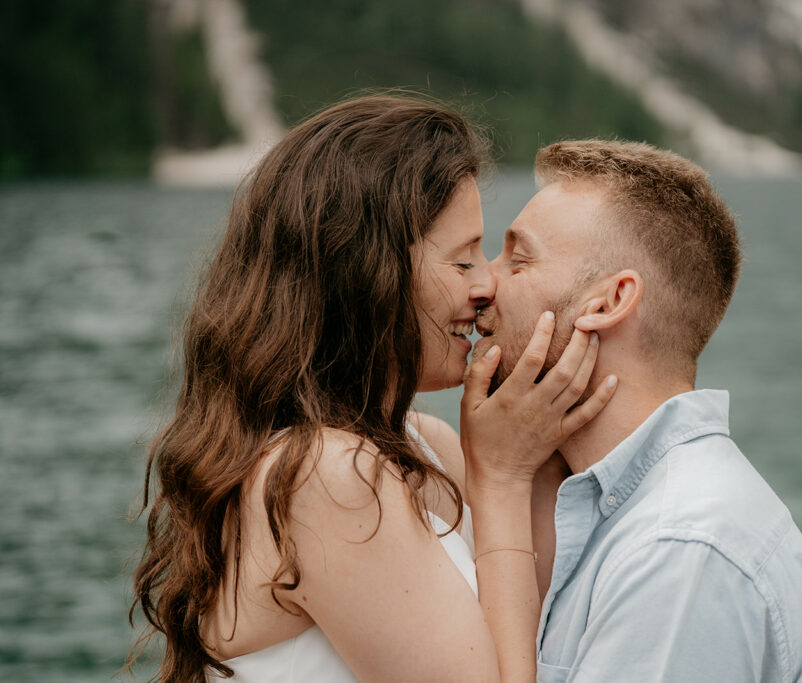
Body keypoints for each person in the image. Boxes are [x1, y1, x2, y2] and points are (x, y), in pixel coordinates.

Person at [129, 95, 616, 683]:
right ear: (367, 275)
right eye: (462, 263)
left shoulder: (425, 443)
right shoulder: (326, 476)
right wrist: (506, 478)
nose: (488, 282)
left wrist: (532, 444)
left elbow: (542, 629)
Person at [472, 139, 802, 682]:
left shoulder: (678, 551)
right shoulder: (620, 513)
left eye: (517, 259)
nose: (482, 282)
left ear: (608, 303)